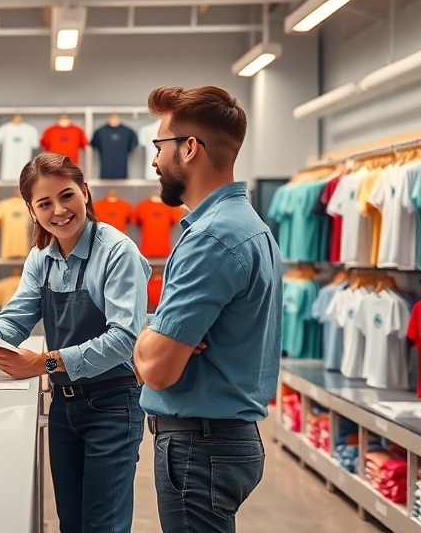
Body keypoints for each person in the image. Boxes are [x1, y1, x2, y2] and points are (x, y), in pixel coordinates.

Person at [0, 152, 150, 533]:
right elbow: (18, 314)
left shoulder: (117, 252)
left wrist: (43, 362)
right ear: (32, 210)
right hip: (65, 407)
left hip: (113, 406)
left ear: (84, 192)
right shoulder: (40, 258)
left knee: (103, 526)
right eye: (44, 203)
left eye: (67, 196)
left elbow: (123, 341)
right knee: (72, 524)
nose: (59, 210)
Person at [132, 85, 282, 533]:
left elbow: (157, 369)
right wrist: (160, 335)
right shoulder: (251, 227)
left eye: (159, 146)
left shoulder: (211, 240)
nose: (155, 161)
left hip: (200, 445)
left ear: (189, 148)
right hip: (221, 440)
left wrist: (146, 334)